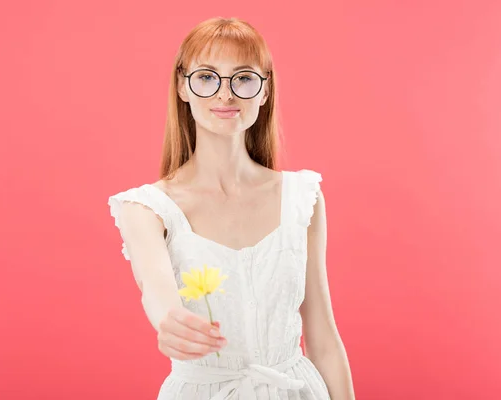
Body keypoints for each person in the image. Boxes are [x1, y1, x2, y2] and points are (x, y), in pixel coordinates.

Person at [108, 17, 355, 400]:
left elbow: (322, 337)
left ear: (265, 90)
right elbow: (157, 293)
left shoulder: (302, 197)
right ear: (182, 86)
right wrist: (170, 323)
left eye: (242, 78)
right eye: (206, 77)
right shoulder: (146, 209)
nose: (225, 95)